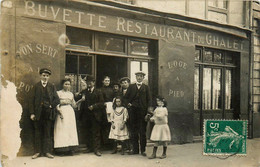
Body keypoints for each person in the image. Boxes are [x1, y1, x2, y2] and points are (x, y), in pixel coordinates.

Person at [29, 68, 60, 159]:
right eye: (43, 75)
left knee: (47, 133)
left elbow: (57, 99)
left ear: (49, 77)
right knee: (37, 132)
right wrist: (32, 113)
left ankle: (47, 152)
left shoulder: (51, 86)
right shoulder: (36, 86)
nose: (45, 77)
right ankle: (37, 152)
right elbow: (31, 101)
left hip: (48, 113)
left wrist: (51, 106)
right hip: (38, 114)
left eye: (47, 76)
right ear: (40, 76)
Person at [124, 71, 152, 156]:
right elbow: (125, 98)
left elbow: (149, 100)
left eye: (141, 76)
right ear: (135, 77)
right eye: (138, 76)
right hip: (133, 111)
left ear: (143, 78)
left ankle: (143, 150)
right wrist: (128, 104)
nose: (139, 78)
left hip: (142, 112)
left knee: (142, 131)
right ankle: (135, 150)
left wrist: (148, 111)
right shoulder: (131, 87)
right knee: (133, 131)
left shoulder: (146, 87)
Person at [54, 78, 84, 156]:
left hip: (70, 112)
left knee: (70, 129)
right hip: (62, 111)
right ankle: (61, 150)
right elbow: (56, 103)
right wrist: (59, 110)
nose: (67, 86)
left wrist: (80, 100)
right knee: (62, 129)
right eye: (65, 84)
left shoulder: (71, 94)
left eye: (68, 84)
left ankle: (70, 149)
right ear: (62, 85)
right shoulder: (58, 93)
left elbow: (74, 105)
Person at [81, 75, 104, 156]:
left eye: (90, 82)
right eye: (87, 82)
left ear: (94, 83)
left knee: (96, 133)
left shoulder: (98, 92)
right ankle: (89, 147)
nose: (89, 83)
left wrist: (94, 106)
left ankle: (97, 149)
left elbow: (102, 103)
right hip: (87, 115)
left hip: (96, 115)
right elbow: (79, 98)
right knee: (88, 132)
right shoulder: (84, 92)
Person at [100, 76, 114, 148]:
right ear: (103, 81)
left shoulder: (112, 90)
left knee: (110, 125)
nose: (107, 82)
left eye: (108, 81)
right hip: (103, 108)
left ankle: (110, 144)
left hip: (111, 108)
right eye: (106, 81)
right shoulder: (100, 90)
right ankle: (104, 144)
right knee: (104, 125)